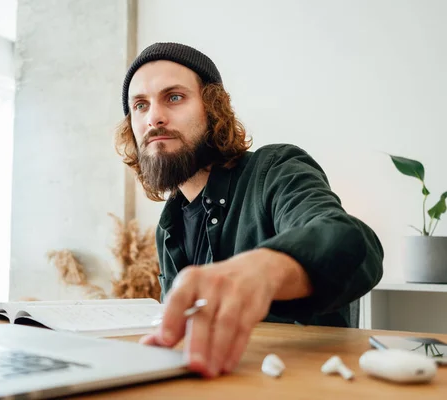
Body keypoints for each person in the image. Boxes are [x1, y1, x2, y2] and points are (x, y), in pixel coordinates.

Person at [114, 42, 384, 378]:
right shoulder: (168, 226)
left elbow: (353, 242)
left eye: (174, 97)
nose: (154, 117)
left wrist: (265, 270)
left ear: (213, 109)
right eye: (140, 105)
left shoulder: (275, 168)